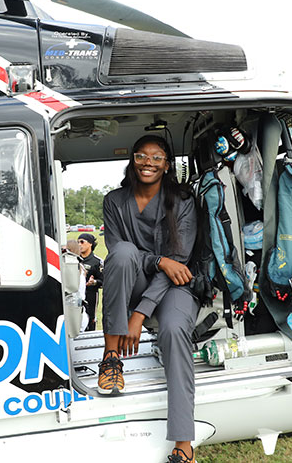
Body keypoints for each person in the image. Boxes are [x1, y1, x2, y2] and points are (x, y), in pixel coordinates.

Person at [99, 135, 198, 463]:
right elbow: (117, 255)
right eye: (142, 156)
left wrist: (139, 315)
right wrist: (158, 260)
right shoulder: (114, 201)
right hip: (135, 280)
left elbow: (178, 261)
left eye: (157, 158)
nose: (149, 163)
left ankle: (183, 445)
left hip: (175, 287)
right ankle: (111, 358)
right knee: (124, 252)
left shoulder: (183, 201)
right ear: (133, 159)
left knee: (172, 329)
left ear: (167, 165)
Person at [77, 232, 104, 331]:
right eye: (78, 242)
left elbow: (104, 281)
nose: (79, 244)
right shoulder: (74, 259)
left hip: (91, 295)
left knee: (90, 320)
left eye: (82, 242)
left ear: (90, 244)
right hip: (76, 296)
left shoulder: (97, 261)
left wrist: (94, 282)